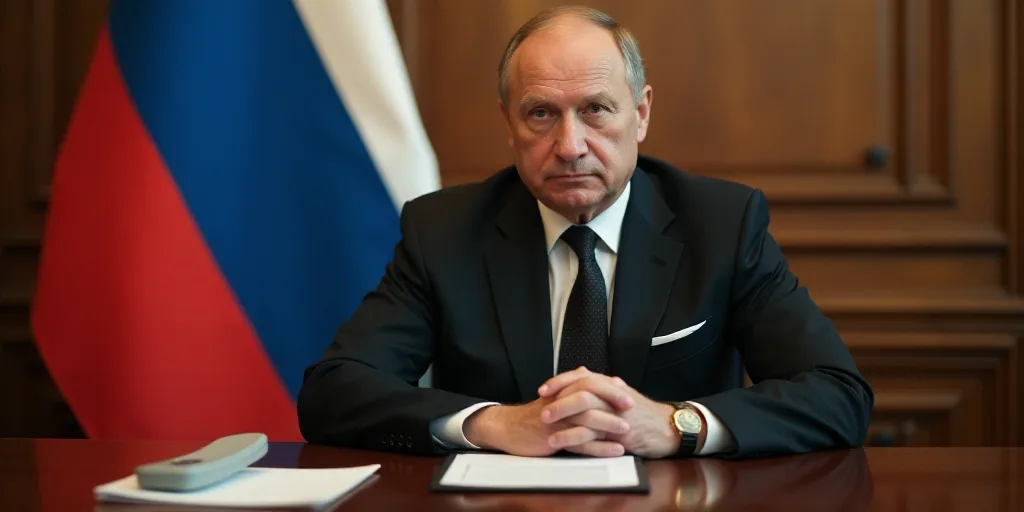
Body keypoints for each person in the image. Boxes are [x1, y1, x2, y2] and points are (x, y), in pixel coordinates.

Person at [297, 5, 873, 459]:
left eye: (596, 109)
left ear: (641, 114)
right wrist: (495, 422)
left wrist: (677, 424)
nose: (570, 146)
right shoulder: (444, 231)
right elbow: (334, 393)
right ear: (509, 123)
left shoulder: (722, 223)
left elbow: (836, 394)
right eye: (541, 113)